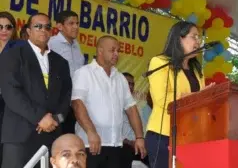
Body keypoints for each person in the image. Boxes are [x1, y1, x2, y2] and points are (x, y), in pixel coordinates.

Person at [0, 13, 72, 168]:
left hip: (50, 136)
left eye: (47, 27)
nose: (43, 30)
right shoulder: (12, 55)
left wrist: (55, 120)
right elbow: (11, 92)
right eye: (38, 26)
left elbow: (66, 99)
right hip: (19, 136)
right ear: (28, 30)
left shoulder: (61, 63)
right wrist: (40, 117)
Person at [71, 35, 146, 168]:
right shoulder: (84, 73)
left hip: (116, 145)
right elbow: (77, 104)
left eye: (118, 50)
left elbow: (131, 108)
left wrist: (139, 137)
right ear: (100, 51)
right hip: (91, 144)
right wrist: (91, 132)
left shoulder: (120, 78)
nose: (116, 54)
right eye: (112, 50)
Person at [145, 21, 208, 168]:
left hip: (190, 136)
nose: (198, 42)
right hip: (163, 135)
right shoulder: (160, 62)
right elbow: (162, 99)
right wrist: (193, 97)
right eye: (194, 37)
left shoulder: (197, 70)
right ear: (179, 39)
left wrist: (207, 96)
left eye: (199, 38)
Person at [48, 10, 85, 134]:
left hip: (74, 102)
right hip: (58, 101)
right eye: (71, 23)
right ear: (59, 26)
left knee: (69, 136)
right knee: (55, 134)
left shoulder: (77, 46)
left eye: (77, 23)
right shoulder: (51, 43)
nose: (76, 27)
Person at [0, 11, 26, 165]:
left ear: (14, 29)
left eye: (8, 27)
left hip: (11, 102)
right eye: (0, 27)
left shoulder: (21, 47)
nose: (4, 30)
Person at [121, 72, 151, 168]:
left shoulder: (137, 107)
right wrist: (129, 142)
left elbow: (144, 129)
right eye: (127, 83)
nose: (130, 86)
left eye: (132, 84)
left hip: (138, 146)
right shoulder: (112, 104)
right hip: (122, 147)